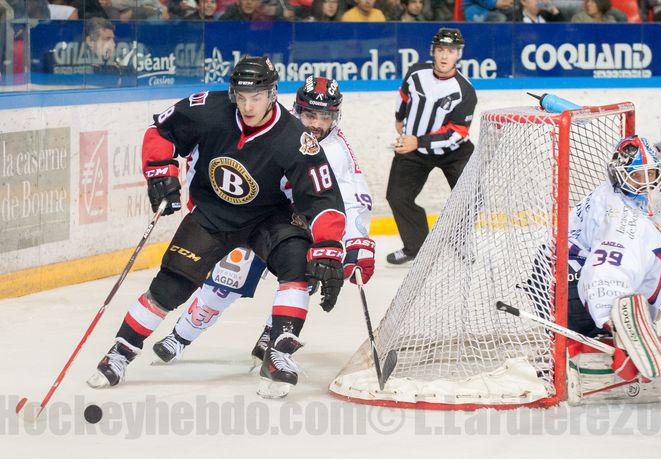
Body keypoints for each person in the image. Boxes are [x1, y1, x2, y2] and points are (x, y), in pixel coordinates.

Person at [86, 56, 347, 399]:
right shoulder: (207, 108)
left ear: (273, 94)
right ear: (232, 93)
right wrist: (160, 171)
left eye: (256, 97)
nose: (248, 105)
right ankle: (120, 352)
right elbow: (161, 131)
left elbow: (323, 197)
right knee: (169, 287)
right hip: (212, 213)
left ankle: (278, 353)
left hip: (269, 217)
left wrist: (328, 246)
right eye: (241, 97)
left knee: (297, 262)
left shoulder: (295, 139)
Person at [151, 77, 375, 367]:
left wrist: (357, 241)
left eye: (325, 117)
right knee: (225, 282)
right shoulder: (278, 126)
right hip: (253, 217)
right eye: (310, 115)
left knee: (301, 277)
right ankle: (181, 336)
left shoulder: (337, 150)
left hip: (294, 228)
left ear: (336, 116)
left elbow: (354, 197)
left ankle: (273, 336)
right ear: (297, 110)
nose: (317, 124)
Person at [565, 136, 661, 380]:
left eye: (651, 173)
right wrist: (616, 323)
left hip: (563, 274)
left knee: (649, 252)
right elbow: (604, 270)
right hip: (567, 293)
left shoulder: (645, 202)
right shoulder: (620, 217)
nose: (646, 183)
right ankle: (598, 326)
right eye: (637, 175)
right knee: (633, 259)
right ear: (620, 175)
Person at [386, 27, 477, 265]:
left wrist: (418, 141)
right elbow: (403, 96)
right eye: (440, 50)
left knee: (470, 195)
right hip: (414, 148)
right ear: (433, 51)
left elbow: (457, 133)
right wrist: (399, 118)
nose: (445, 56)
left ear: (459, 53)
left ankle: (461, 240)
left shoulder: (465, 90)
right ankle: (416, 247)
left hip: (454, 151)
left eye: (450, 50)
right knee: (397, 196)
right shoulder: (416, 73)